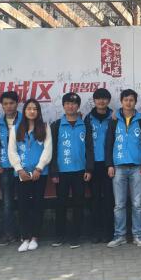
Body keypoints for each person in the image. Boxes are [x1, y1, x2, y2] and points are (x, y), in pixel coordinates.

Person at [105, 89, 141, 248]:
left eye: (131, 100)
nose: (128, 103)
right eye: (126, 100)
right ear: (121, 101)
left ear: (135, 102)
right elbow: (108, 144)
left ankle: (138, 235)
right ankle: (120, 236)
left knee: (137, 204)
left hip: (137, 167)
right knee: (119, 204)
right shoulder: (114, 120)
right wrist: (109, 165)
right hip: (118, 167)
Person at [50, 92, 94, 249]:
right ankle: (59, 235)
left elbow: (89, 148)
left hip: (80, 171)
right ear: (63, 106)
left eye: (74, 103)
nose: (71, 106)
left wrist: (89, 169)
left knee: (78, 204)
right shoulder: (56, 125)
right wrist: (54, 171)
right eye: (67, 103)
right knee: (61, 204)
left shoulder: (85, 125)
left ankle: (75, 236)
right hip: (61, 172)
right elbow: (52, 150)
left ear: (78, 106)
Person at [8, 98, 52, 252]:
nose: (32, 111)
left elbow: (48, 149)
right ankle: (25, 237)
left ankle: (35, 237)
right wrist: (19, 169)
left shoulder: (45, 127)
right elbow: (12, 151)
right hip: (22, 174)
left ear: (38, 111)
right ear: (24, 111)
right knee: (23, 206)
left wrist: (39, 168)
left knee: (37, 205)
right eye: (29, 109)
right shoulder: (16, 129)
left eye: (35, 109)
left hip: (39, 174)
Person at [0, 91, 22, 247]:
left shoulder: (26, 121)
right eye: (5, 104)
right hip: (5, 168)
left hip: (22, 168)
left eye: (11, 103)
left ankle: (24, 233)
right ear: (2, 106)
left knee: (23, 201)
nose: (9, 106)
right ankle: (8, 234)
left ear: (17, 103)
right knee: (7, 203)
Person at [84, 88, 114, 243]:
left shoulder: (114, 117)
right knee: (95, 199)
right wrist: (88, 167)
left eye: (104, 98)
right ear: (94, 101)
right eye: (98, 99)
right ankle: (96, 232)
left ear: (108, 100)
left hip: (110, 165)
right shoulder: (88, 119)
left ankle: (109, 232)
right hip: (93, 165)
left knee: (109, 199)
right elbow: (86, 144)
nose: (101, 101)